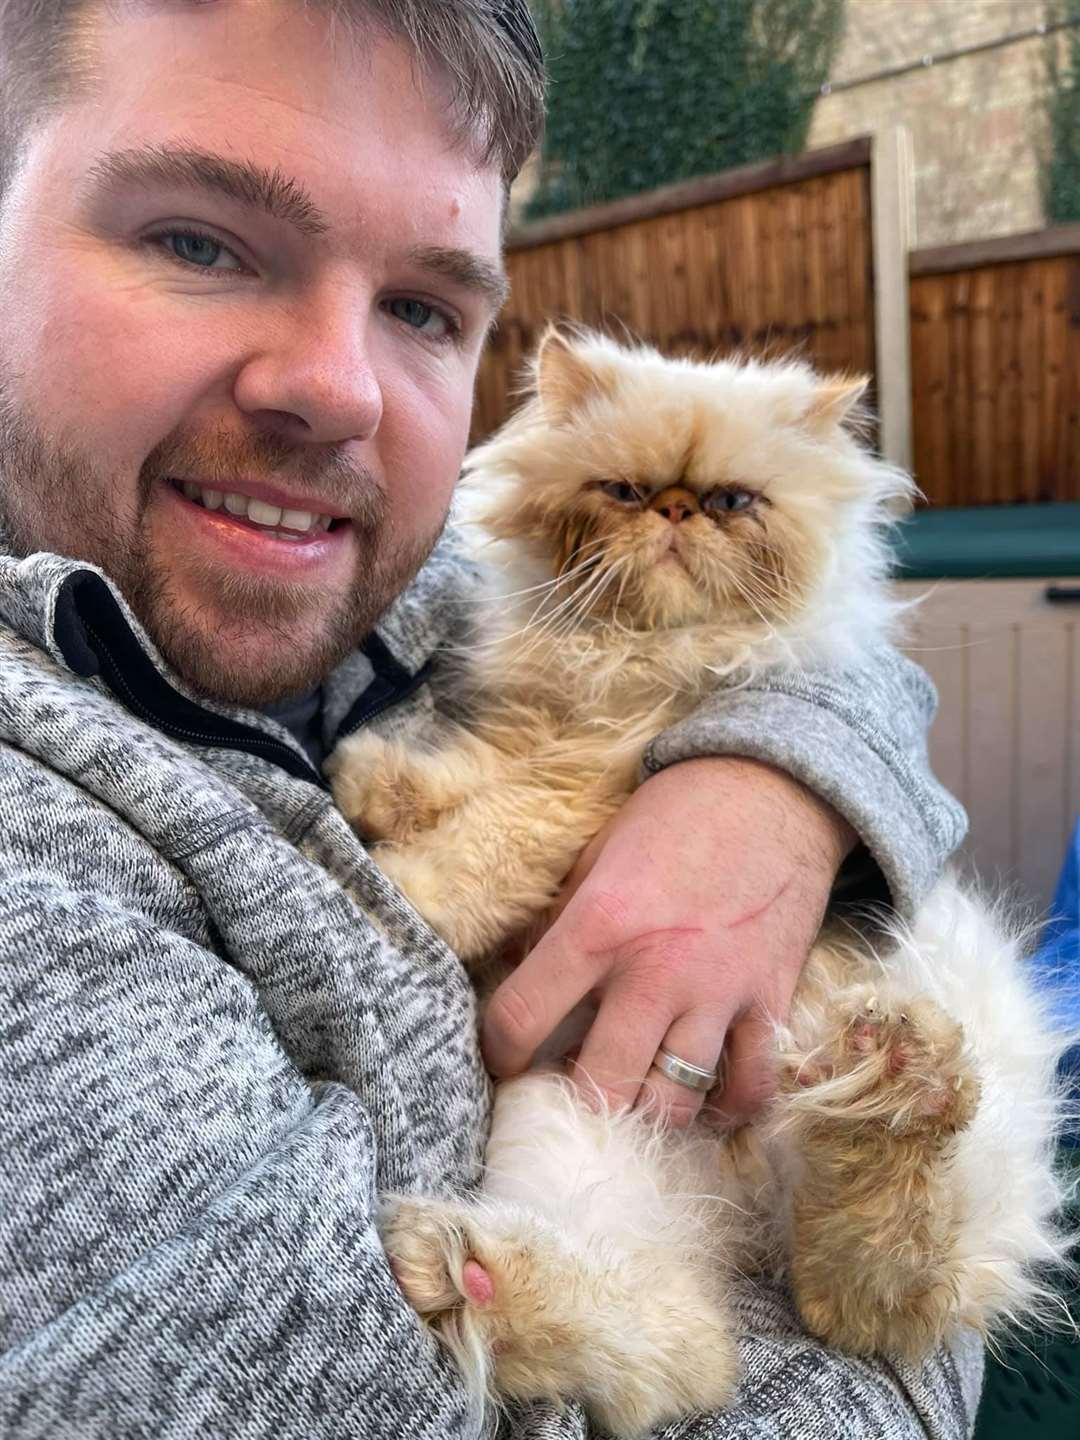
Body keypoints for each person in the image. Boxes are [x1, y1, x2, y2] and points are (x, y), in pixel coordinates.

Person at [0, 1, 980, 1435]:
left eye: (422, 308)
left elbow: (847, 654)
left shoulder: (391, 571)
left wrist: (767, 781)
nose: (335, 392)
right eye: (198, 242)